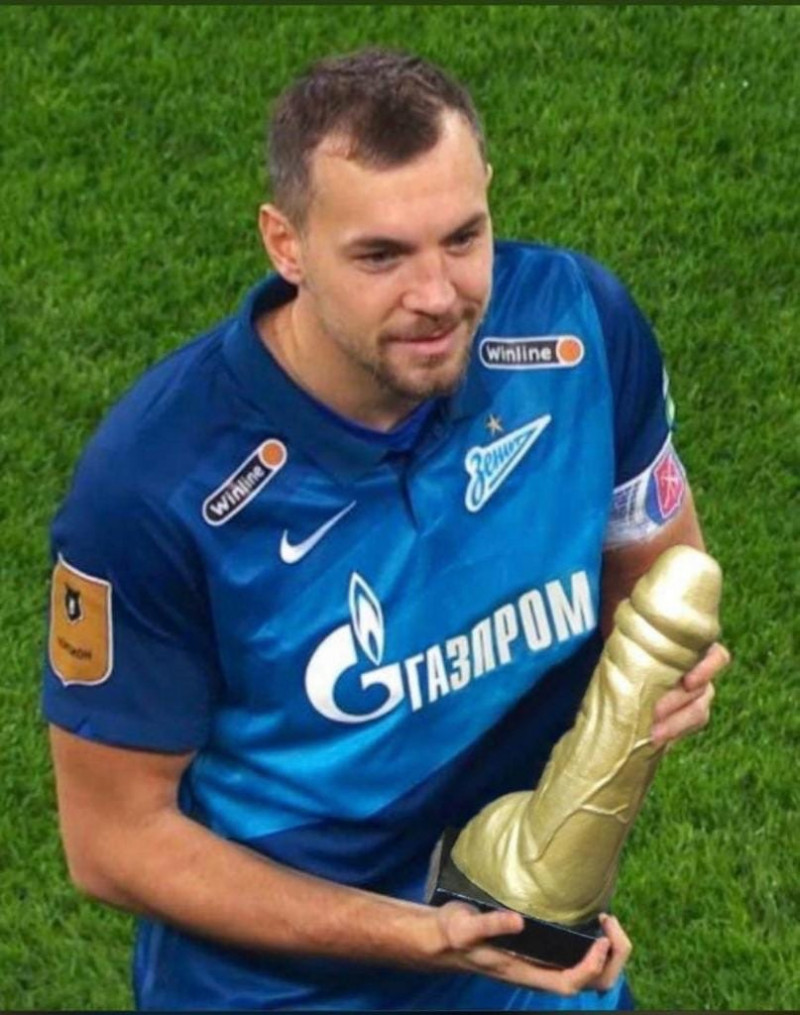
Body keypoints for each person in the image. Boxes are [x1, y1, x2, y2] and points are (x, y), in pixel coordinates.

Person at [43, 49, 729, 1011]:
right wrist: (424, 935)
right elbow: (114, 841)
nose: (438, 295)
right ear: (286, 244)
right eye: (381, 256)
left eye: (463, 237)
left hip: (528, 945)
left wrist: (648, 698)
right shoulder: (156, 487)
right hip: (278, 992)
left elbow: (660, 580)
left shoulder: (578, 328)